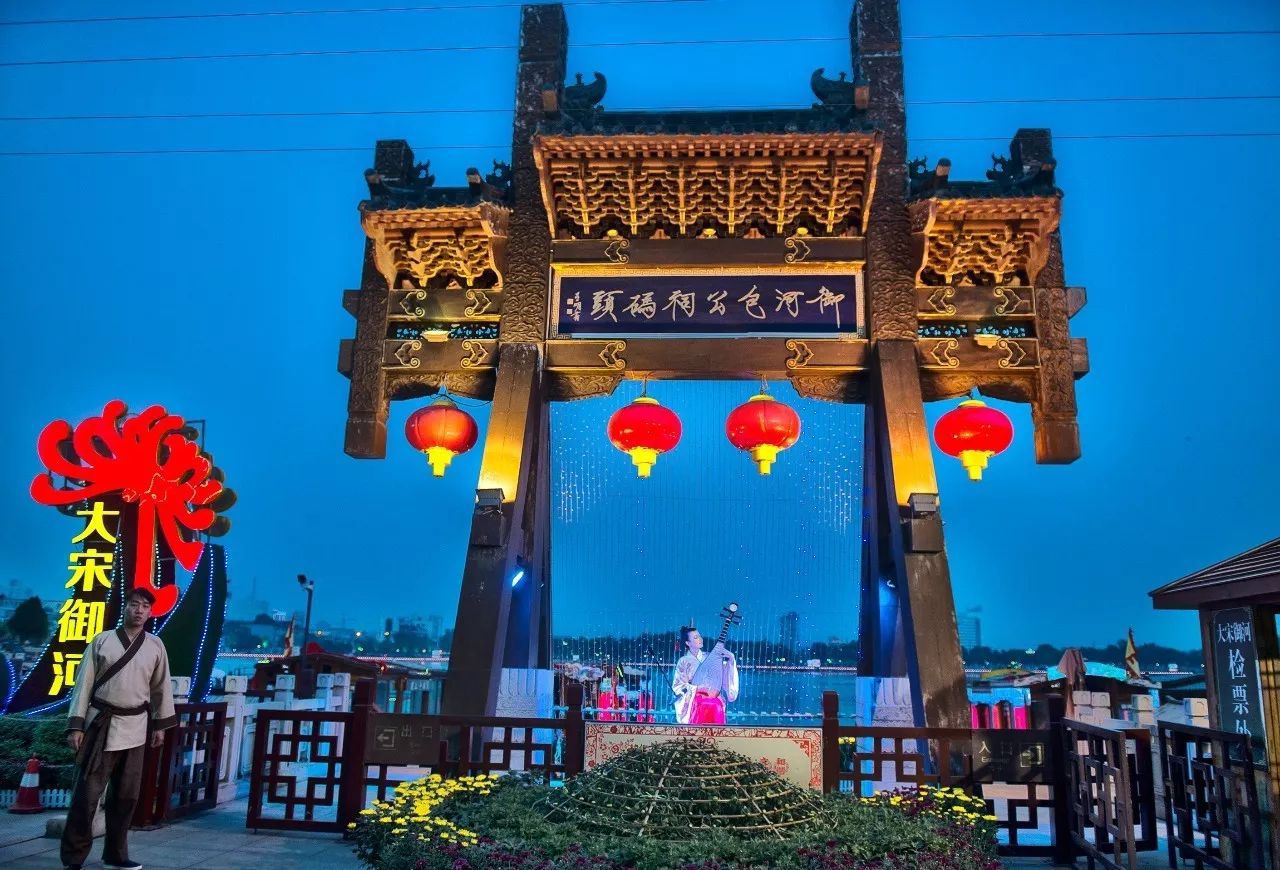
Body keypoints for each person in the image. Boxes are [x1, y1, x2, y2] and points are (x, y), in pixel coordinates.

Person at [61, 587, 177, 870]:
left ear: (150, 612)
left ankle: (115, 855)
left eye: (145, 606)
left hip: (135, 727)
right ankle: (73, 858)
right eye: (134, 604)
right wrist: (76, 726)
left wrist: (160, 726)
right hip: (100, 725)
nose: (139, 610)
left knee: (126, 797)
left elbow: (161, 688)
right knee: (87, 795)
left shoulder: (155, 645)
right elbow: (83, 685)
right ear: (125, 607)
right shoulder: (102, 641)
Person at [671, 626, 738, 725]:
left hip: (713, 696)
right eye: (695, 637)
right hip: (694, 698)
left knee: (716, 705)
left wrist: (731, 659)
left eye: (699, 636)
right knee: (703, 705)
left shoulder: (709, 657)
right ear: (688, 643)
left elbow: (723, 675)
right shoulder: (683, 661)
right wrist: (697, 688)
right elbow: (678, 685)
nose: (700, 639)